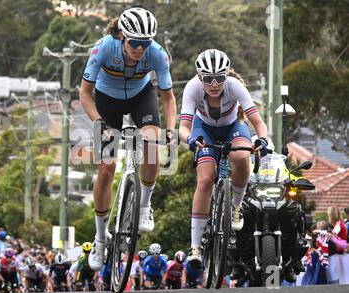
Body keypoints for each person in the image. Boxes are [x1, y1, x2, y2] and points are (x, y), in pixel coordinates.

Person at [80, 6, 177, 271]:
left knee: (153, 143)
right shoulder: (103, 48)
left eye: (145, 43)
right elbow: (85, 94)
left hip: (140, 97)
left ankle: (144, 205)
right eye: (135, 43)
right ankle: (101, 238)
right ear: (123, 36)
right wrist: (99, 123)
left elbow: (168, 98)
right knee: (107, 167)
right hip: (107, 101)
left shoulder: (157, 54)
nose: (140, 49)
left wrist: (170, 129)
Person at [179, 49, 269, 273]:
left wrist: (264, 140)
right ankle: (195, 248)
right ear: (200, 77)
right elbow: (183, 127)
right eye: (208, 79)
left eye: (219, 78)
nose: (214, 84)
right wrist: (190, 139)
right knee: (206, 179)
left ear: (226, 76)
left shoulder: (235, 86)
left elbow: (258, 122)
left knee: (241, 156)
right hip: (204, 130)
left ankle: (235, 207)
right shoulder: (192, 88)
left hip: (232, 128)